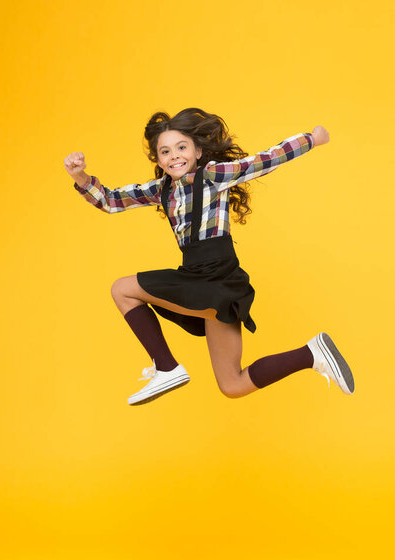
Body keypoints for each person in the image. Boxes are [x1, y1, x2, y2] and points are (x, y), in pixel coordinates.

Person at [64, 107, 355, 406]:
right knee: (232, 385)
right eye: (165, 151)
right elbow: (112, 201)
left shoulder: (213, 175)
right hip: (205, 282)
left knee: (121, 289)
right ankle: (311, 353)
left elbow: (263, 161)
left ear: (198, 150)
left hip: (216, 276)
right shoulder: (161, 189)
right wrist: (81, 176)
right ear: (158, 159)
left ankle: (166, 367)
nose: (174, 156)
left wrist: (311, 139)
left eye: (181, 147)